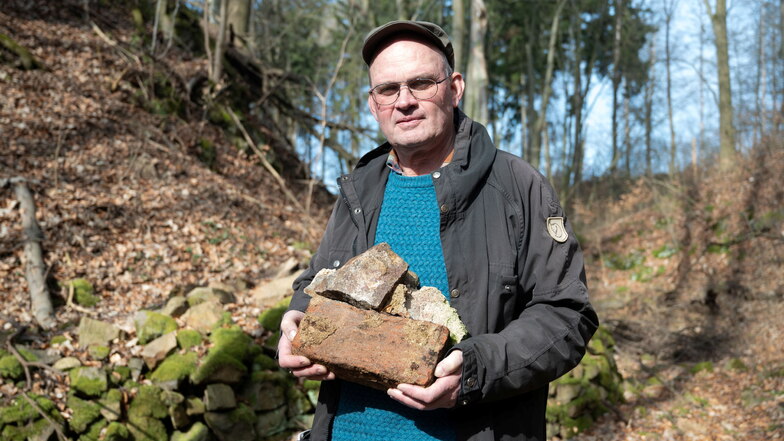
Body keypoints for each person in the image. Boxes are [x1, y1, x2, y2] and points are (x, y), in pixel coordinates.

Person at [277, 20, 599, 441]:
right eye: (388, 89)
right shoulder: (358, 191)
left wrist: (475, 369)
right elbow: (318, 278)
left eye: (422, 83)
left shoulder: (517, 186)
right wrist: (297, 314)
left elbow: (566, 314)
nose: (404, 101)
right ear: (373, 104)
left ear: (454, 87)